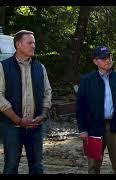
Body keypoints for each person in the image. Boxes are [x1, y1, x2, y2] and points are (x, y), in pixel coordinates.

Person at [0, 30, 52, 174]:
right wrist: (17, 119)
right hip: (11, 127)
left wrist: (43, 114)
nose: (33, 46)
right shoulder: (3, 67)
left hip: (36, 127)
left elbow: (47, 92)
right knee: (10, 167)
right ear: (18, 44)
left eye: (34, 42)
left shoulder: (39, 67)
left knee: (37, 167)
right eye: (30, 42)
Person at [76, 45, 116, 174]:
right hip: (93, 128)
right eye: (103, 58)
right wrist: (82, 129)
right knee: (93, 166)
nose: (108, 60)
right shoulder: (87, 80)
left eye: (109, 57)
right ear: (95, 61)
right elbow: (80, 107)